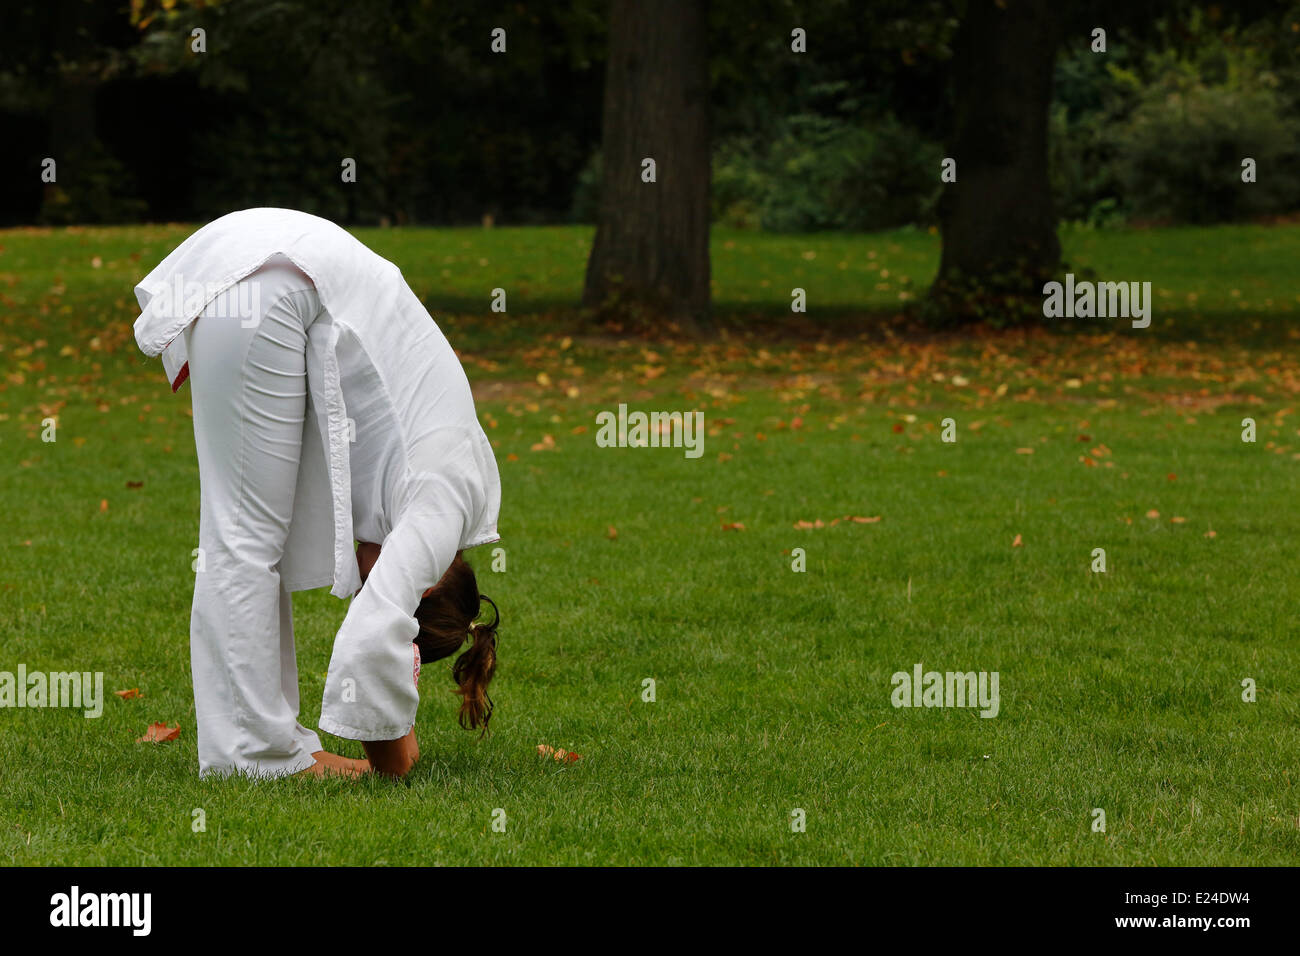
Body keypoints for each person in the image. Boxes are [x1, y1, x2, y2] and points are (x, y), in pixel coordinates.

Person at [132, 208, 502, 780]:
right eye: (373, 582)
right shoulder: (439, 508)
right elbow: (379, 628)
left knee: (253, 537)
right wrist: (393, 761)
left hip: (272, 260)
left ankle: (264, 745)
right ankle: (252, 757)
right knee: (246, 535)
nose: (360, 583)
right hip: (273, 280)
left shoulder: (454, 485)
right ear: (426, 581)